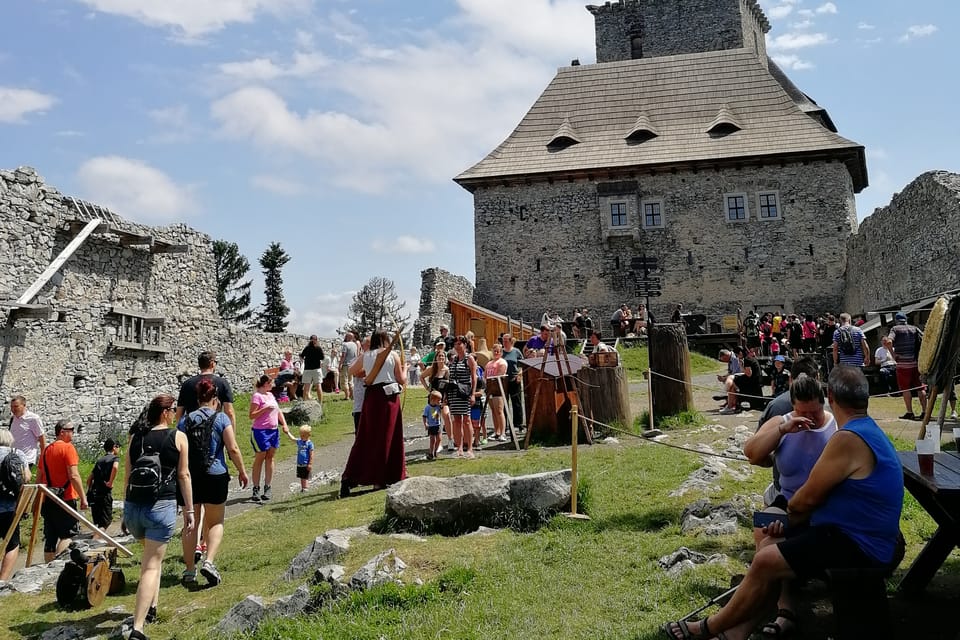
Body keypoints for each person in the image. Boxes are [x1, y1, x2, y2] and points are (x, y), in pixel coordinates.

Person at [663, 366, 903, 640]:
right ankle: (740, 631)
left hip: (859, 543)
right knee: (766, 543)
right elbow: (756, 455)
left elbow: (806, 499)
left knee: (766, 559)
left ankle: (708, 627)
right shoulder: (865, 429)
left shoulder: (847, 437)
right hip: (848, 530)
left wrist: (789, 519)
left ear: (830, 398)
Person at [742, 372, 838, 637]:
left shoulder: (835, 427)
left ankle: (780, 608)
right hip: (787, 498)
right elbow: (751, 453)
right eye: (802, 412)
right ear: (793, 406)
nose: (808, 419)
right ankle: (781, 604)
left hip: (821, 503)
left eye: (814, 413)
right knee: (765, 530)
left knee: (778, 541)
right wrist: (783, 429)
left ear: (823, 404)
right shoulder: (781, 421)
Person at [124, 395, 194, 640]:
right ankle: (138, 627)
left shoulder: (135, 438)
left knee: (152, 558)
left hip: (134, 508)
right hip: (161, 506)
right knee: (151, 566)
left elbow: (128, 476)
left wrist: (125, 513)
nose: (176, 413)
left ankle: (152, 607)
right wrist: (190, 510)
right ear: (165, 412)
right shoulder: (178, 437)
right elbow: (184, 476)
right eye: (174, 409)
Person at [179, 377, 249, 587]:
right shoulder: (221, 419)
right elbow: (233, 448)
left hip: (191, 477)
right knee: (216, 521)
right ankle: (209, 561)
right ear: (215, 399)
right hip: (215, 474)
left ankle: (189, 570)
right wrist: (242, 471)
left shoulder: (185, 421)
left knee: (190, 523)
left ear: (198, 398)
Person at [340, 329, 407, 496]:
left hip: (372, 398)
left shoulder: (366, 355)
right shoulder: (392, 355)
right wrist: (405, 368)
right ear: (386, 339)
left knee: (368, 437)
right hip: (389, 398)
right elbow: (402, 379)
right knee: (389, 437)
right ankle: (384, 477)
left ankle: (355, 477)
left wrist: (368, 373)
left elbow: (351, 371)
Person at [38, 419, 86, 561]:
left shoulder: (46, 450)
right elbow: (74, 476)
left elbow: (39, 477)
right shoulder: (67, 448)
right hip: (66, 498)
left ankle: (46, 569)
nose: (73, 433)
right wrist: (83, 497)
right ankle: (56, 568)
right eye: (71, 429)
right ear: (62, 432)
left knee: (50, 538)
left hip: (48, 498)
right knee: (68, 535)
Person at [249, 375, 291, 502]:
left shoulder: (271, 395)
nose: (273, 385)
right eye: (271, 383)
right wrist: (265, 409)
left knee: (270, 457)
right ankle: (256, 488)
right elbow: (251, 415)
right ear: (265, 383)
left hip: (273, 430)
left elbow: (278, 411)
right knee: (260, 456)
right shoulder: (257, 396)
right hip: (260, 431)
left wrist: (284, 424)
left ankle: (268, 486)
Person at [175, 351, 237, 430]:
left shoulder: (187, 384)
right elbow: (229, 412)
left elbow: (179, 414)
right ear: (212, 364)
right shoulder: (222, 383)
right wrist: (232, 435)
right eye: (216, 362)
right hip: (214, 427)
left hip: (192, 428)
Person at [0, 429, 30, 581]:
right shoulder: (17, 453)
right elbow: (27, 477)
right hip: (10, 506)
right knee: (12, 544)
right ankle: (2, 580)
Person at [888, 311, 927, 419]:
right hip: (916, 362)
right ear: (906, 319)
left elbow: (889, 342)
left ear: (896, 320)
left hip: (903, 364)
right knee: (921, 387)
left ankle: (910, 412)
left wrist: (893, 355)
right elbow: (924, 339)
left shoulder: (895, 329)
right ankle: (925, 412)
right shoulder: (914, 328)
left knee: (905, 388)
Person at [447, 336, 479, 458]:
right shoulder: (454, 360)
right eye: (456, 344)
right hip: (455, 393)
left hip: (465, 392)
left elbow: (474, 377)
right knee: (457, 421)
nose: (457, 346)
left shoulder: (469, 358)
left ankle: (470, 448)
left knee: (467, 420)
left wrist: (473, 394)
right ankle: (459, 448)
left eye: (460, 343)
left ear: (465, 345)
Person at [86, 438, 120, 535]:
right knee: (105, 523)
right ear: (114, 447)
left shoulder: (100, 460)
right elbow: (115, 467)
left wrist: (90, 490)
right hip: (105, 494)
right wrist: (110, 482)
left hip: (95, 494)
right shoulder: (114, 458)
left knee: (99, 521)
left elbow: (89, 479)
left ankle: (96, 538)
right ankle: (95, 541)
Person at [422, 348, 453, 451]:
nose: (441, 358)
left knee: (446, 416)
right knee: (435, 421)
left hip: (444, 399)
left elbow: (449, 385)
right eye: (439, 356)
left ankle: (450, 440)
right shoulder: (432, 369)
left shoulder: (447, 370)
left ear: (445, 358)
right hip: (433, 401)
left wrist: (446, 398)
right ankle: (438, 443)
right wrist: (427, 388)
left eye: (442, 356)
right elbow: (421, 377)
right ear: (436, 358)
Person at [720, 349, 761, 414]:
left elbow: (748, 374)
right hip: (751, 379)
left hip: (753, 381)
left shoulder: (747, 360)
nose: (737, 357)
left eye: (737, 355)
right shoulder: (747, 358)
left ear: (740, 353)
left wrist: (740, 365)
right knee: (732, 383)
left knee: (732, 381)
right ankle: (731, 404)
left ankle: (730, 404)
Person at [9, 395, 45, 469]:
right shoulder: (13, 419)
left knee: (22, 480)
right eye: (11, 407)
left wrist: (43, 457)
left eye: (16, 406)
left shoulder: (33, 419)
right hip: (13, 459)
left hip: (26, 459)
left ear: (24, 405)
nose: (13, 409)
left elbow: (41, 437)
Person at [484, 343, 509, 442]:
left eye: (498, 351)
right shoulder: (489, 363)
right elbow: (485, 375)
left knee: (499, 410)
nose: (496, 353)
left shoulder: (502, 362)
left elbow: (500, 374)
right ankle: (496, 431)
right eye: (494, 351)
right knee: (493, 411)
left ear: (501, 352)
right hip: (489, 388)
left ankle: (502, 433)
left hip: (498, 388)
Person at [501, 334, 525, 435]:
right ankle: (505, 425)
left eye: (506, 341)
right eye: (503, 341)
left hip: (515, 379)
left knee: (517, 402)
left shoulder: (516, 351)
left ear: (511, 341)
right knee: (504, 404)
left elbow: (521, 364)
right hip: (504, 380)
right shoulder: (501, 352)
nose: (504, 343)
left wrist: (520, 374)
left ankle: (518, 425)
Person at [300, 335, 325, 402]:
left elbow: (302, 356)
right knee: (318, 386)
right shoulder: (318, 348)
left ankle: (304, 402)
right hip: (317, 369)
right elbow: (322, 357)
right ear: (316, 340)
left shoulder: (307, 348)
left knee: (306, 387)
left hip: (307, 369)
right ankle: (320, 402)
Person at [292, 426, 314, 492]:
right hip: (300, 463)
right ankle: (303, 488)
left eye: (303, 435)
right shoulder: (299, 441)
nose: (301, 436)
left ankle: (306, 488)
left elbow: (311, 455)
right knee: (301, 476)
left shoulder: (309, 444)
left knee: (305, 476)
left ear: (308, 435)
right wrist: (287, 432)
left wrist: (310, 463)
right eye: (300, 435)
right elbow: (293, 439)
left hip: (306, 463)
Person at [423, 391, 443, 460]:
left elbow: (443, 407)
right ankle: (431, 453)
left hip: (438, 425)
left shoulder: (438, 406)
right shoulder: (427, 408)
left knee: (439, 439)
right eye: (438, 400)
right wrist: (425, 423)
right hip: (431, 426)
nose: (440, 401)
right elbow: (424, 416)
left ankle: (436, 451)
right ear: (433, 400)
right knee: (432, 440)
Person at [340, 332, 359, 401]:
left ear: (347, 337)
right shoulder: (355, 345)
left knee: (344, 381)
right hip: (352, 365)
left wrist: (340, 364)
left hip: (346, 364)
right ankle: (352, 396)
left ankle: (347, 396)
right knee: (351, 381)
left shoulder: (345, 345)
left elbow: (343, 356)